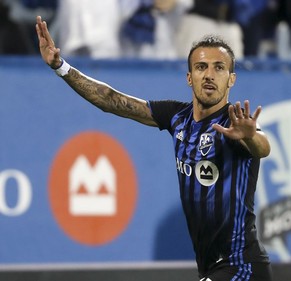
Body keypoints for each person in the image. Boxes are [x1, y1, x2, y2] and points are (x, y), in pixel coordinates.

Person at [36, 15, 272, 281]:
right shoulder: (176, 117)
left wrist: (250, 136)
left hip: (242, 265)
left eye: (219, 68)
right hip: (211, 267)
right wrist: (61, 67)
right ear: (189, 77)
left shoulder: (235, 123)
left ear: (231, 79)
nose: (209, 75)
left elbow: (262, 148)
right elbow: (112, 100)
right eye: (201, 67)